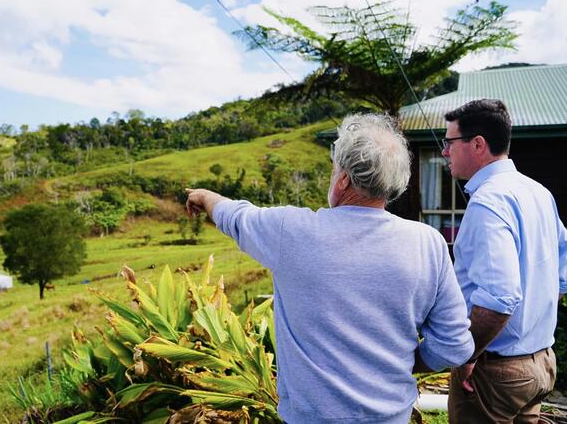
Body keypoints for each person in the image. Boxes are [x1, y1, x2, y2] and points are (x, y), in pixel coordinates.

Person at [186, 113, 474, 424]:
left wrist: (203, 196)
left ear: (344, 179)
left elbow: (234, 216)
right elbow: (455, 346)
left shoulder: (289, 230)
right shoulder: (427, 243)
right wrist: (406, 362)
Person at [442, 99, 567, 423]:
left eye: (449, 142)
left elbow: (499, 298)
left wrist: (468, 354)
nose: (444, 152)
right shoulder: (538, 192)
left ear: (478, 144)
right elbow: (562, 274)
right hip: (541, 365)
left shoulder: (487, 202)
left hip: (495, 374)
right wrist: (533, 322)